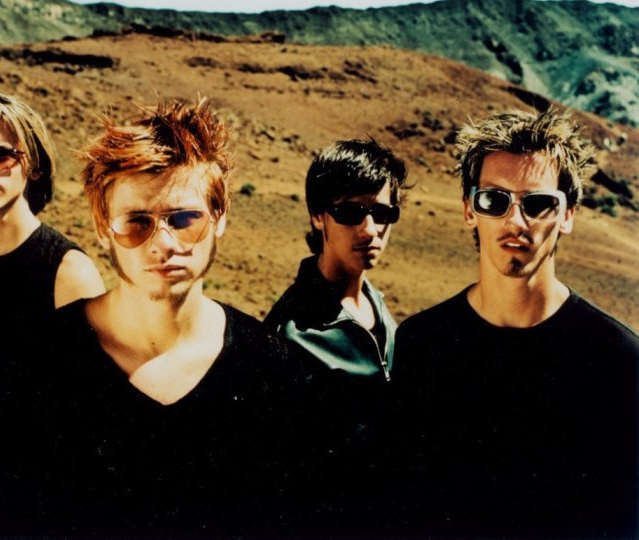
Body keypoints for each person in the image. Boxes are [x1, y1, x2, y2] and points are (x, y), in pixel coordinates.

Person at [43, 98, 311, 538]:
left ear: (219, 218)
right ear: (102, 225)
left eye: (185, 219)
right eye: (137, 221)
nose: (163, 243)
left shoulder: (273, 372)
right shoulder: (39, 364)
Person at [390, 107, 638, 539]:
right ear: (470, 210)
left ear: (568, 215)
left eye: (538, 203)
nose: (516, 222)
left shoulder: (617, 359)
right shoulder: (423, 345)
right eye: (495, 200)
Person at [0, 91, 105, 537]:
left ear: (32, 165)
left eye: (2, 155)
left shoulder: (67, 272)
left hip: (41, 511)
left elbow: (96, 419)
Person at [264, 138, 406, 535]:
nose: (369, 229)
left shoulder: (380, 308)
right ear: (318, 216)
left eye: (382, 213)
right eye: (349, 212)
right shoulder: (290, 334)